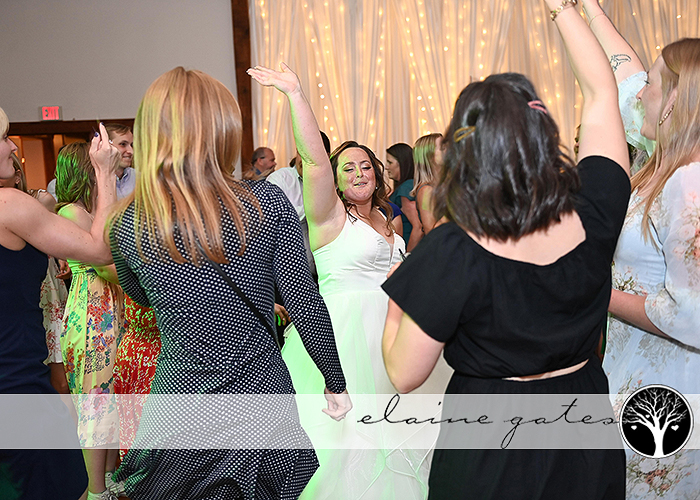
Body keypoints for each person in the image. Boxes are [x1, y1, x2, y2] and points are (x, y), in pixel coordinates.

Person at [381, 1, 630, 498]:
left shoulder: (454, 249)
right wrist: (562, 9)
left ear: (465, 155)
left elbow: (404, 375)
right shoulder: (595, 207)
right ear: (546, 138)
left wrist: (397, 308)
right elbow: (604, 92)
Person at [109, 67, 350, 499]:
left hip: (182, 401)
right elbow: (303, 301)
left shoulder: (128, 224)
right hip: (261, 394)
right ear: (224, 129)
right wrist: (334, 381)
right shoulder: (267, 203)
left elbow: (141, 297)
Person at [249, 63, 442, 499]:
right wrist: (296, 95)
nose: (358, 173)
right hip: (343, 333)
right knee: (346, 443)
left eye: (365, 166)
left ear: (377, 174)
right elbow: (314, 160)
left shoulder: (389, 221)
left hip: (394, 333)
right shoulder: (330, 218)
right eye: (348, 168)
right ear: (334, 180)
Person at [581, 1, 700, 497]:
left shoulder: (689, 183)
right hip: (636, 369)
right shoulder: (661, 166)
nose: (639, 95)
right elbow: (623, 76)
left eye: (652, 84)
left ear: (672, 101)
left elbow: (692, 315)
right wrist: (585, 10)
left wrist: (596, 292)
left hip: (669, 383)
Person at [0, 109, 118, 500]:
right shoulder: (8, 205)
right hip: (17, 388)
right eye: (3, 138)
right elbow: (101, 250)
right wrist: (104, 173)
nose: (12, 147)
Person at [55, 141, 125, 500]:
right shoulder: (71, 212)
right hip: (92, 315)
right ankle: (96, 491)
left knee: (110, 399)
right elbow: (106, 260)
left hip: (106, 309)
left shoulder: (89, 209)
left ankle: (109, 478)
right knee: (95, 402)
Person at [387, 142, 423, 250]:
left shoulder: (407, 187)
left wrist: (407, 256)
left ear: (401, 164)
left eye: (390, 162)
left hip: (408, 248)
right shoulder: (403, 187)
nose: (386, 167)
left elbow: (418, 227)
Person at [411, 133, 444, 235]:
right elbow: (431, 232)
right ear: (429, 156)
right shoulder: (426, 191)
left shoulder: (444, 185)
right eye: (442, 147)